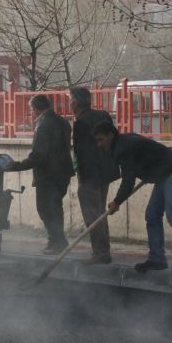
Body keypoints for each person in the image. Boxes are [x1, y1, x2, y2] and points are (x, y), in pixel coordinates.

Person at [92, 120, 172, 274]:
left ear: (111, 135)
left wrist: (117, 202)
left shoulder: (122, 148)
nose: (99, 144)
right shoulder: (122, 143)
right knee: (152, 215)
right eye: (97, 140)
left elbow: (128, 180)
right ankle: (157, 259)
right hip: (162, 175)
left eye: (101, 139)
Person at [7, 95, 74, 254]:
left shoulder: (43, 125)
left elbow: (39, 155)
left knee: (45, 208)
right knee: (56, 207)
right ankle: (57, 241)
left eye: (32, 110)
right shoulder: (63, 122)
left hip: (48, 175)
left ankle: (57, 242)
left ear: (35, 108)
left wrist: (17, 166)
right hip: (63, 172)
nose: (32, 113)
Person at [70, 87, 118, 264]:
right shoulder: (103, 114)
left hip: (90, 175)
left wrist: (81, 177)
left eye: (70, 100)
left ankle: (100, 252)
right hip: (105, 173)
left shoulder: (81, 122)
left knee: (92, 214)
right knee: (100, 213)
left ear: (75, 103)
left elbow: (81, 153)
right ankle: (103, 250)